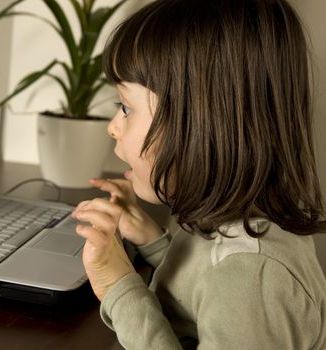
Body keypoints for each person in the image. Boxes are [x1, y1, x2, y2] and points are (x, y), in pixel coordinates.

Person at [71, 0, 326, 348]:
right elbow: (202, 295)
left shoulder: (253, 278)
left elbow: (225, 287)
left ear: (201, 123)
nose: (113, 128)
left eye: (126, 107)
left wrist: (119, 288)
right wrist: (153, 241)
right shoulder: (232, 226)